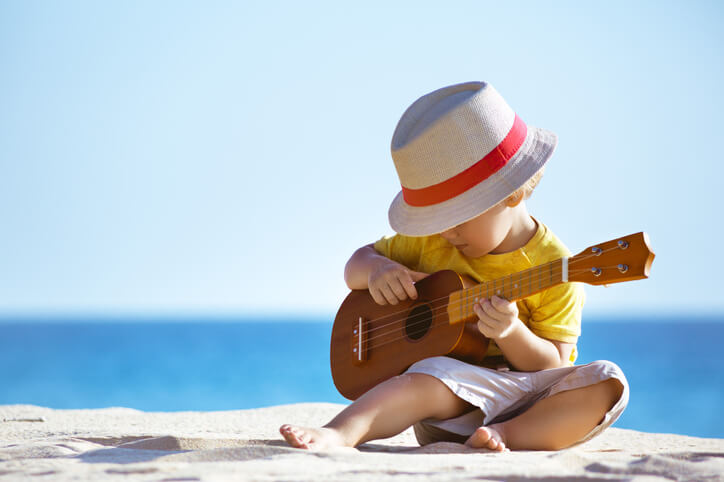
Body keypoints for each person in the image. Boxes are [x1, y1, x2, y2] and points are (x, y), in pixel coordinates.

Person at [280, 81, 628, 451]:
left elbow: (551, 364)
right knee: (426, 376)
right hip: (449, 399)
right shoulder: (429, 241)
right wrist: (377, 269)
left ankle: (505, 436)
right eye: (435, 220)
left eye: (457, 218)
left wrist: (510, 334)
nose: (446, 233)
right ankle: (341, 433)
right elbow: (355, 267)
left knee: (608, 381)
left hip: (524, 400)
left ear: (512, 193)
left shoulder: (558, 267)